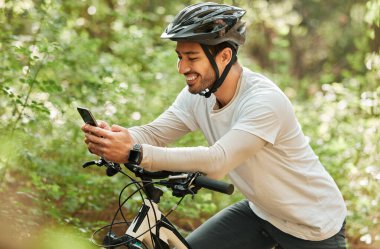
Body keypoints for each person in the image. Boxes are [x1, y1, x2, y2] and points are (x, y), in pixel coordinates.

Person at [81, 2, 347, 249]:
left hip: (314, 224)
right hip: (263, 213)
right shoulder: (197, 96)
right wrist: (115, 138)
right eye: (180, 56)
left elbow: (217, 161)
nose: (182, 67)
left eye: (192, 57)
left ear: (224, 55)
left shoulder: (264, 102)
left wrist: (134, 152)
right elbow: (154, 133)